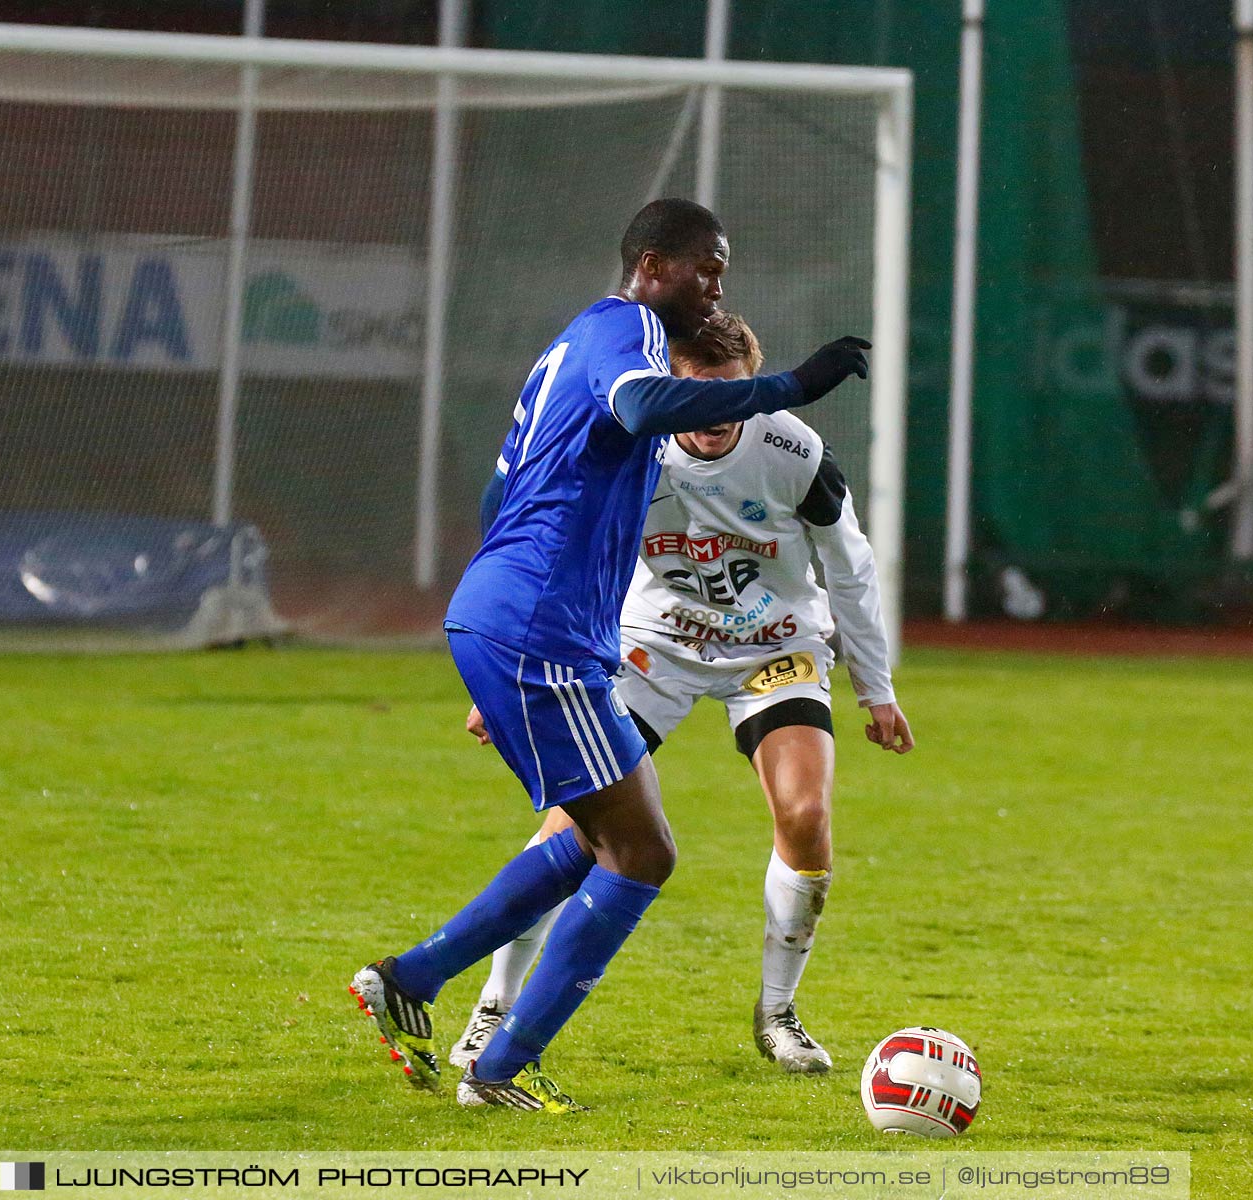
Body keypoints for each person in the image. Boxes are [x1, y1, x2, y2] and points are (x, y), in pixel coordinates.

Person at [349, 198, 871, 1113]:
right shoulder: (625, 331)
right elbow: (643, 404)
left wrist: (499, 626)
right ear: (656, 265)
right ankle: (498, 1066)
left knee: (599, 836)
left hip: (523, 624)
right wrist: (786, 384)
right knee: (642, 851)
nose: (717, 288)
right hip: (541, 630)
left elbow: (500, 489)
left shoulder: (574, 345)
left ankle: (414, 983)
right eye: (707, 268)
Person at [449, 311, 911, 1087]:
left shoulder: (796, 454)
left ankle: (777, 1013)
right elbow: (561, 555)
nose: (713, 417)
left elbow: (852, 569)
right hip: (647, 647)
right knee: (573, 824)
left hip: (773, 647)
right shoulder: (632, 449)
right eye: (695, 397)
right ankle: (493, 1006)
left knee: (807, 815)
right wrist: (511, 679)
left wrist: (877, 688)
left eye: (730, 397)